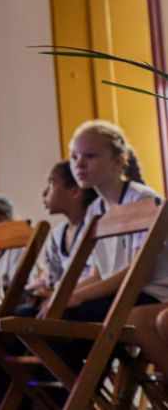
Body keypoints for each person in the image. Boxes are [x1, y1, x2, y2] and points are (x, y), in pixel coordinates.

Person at [61, 121, 168, 377]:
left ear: (119, 161)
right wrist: (65, 293)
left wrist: (80, 297)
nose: (79, 164)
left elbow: (139, 271)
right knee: (40, 314)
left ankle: (74, 396)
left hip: (150, 291)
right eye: (75, 157)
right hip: (122, 291)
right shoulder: (95, 210)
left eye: (90, 156)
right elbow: (98, 273)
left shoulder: (142, 199)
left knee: (64, 320)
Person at [31, 161, 94, 298]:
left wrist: (57, 293)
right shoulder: (58, 234)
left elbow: (97, 275)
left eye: (51, 185)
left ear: (75, 191)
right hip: (62, 295)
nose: (44, 193)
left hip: (83, 296)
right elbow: (52, 275)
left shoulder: (94, 227)